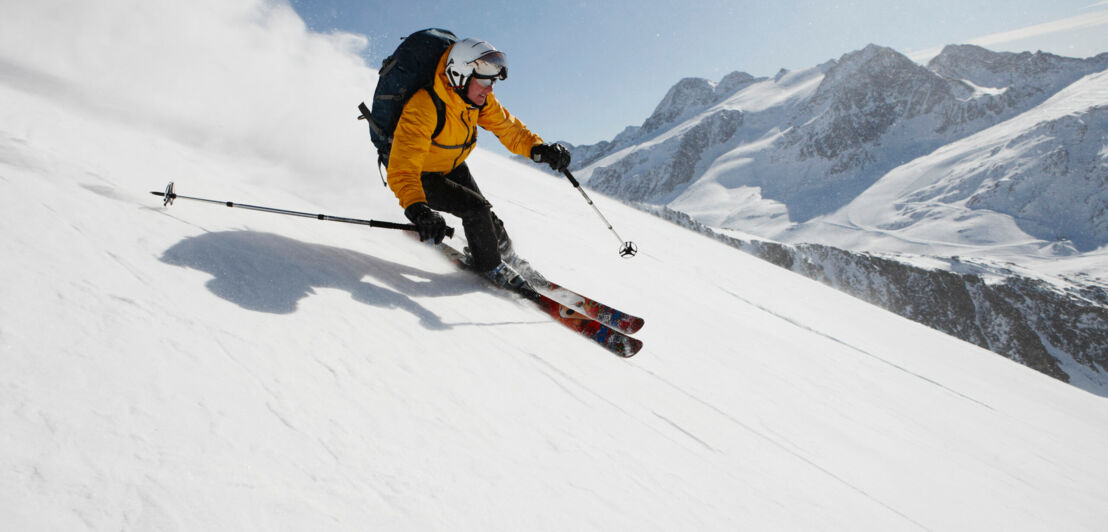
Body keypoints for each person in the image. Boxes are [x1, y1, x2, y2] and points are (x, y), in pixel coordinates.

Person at [386, 37, 570, 286]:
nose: (489, 88)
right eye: (484, 80)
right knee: (476, 210)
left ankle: (509, 257)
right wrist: (418, 209)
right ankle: (491, 268)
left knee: (486, 215)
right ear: (460, 74)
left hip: (450, 164)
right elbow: (403, 167)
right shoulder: (424, 106)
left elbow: (509, 129)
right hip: (420, 174)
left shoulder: (476, 101)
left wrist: (539, 149)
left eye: (492, 81)